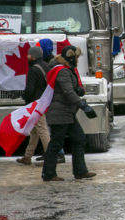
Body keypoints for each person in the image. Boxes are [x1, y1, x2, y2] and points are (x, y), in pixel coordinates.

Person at [41, 45, 97, 182]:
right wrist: (83, 105)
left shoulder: (67, 70)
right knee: (56, 143)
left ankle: (80, 171)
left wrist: (78, 90)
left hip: (67, 113)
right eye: (76, 57)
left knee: (79, 139)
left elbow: (70, 89)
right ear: (72, 58)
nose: (78, 60)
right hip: (60, 113)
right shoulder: (63, 71)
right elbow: (67, 92)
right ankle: (48, 174)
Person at [16, 46, 55, 165]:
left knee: (42, 130)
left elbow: (30, 90)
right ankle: (27, 156)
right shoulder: (46, 66)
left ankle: (50, 157)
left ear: (33, 56)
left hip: (35, 104)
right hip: (44, 102)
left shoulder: (33, 69)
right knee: (34, 131)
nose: (27, 57)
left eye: (28, 55)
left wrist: (24, 96)